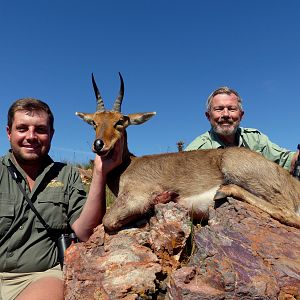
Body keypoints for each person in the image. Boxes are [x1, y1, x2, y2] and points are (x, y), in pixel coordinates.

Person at [0, 98, 123, 300]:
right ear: (9, 132)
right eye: (22, 128)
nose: (31, 136)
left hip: (39, 277)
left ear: (51, 134)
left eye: (40, 130)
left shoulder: (67, 174)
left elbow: (86, 232)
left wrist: (100, 172)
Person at [185, 86, 299, 172]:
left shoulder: (255, 138)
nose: (225, 114)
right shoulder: (196, 151)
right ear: (208, 116)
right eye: (219, 109)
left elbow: (286, 160)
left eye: (232, 109)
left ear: (241, 115)